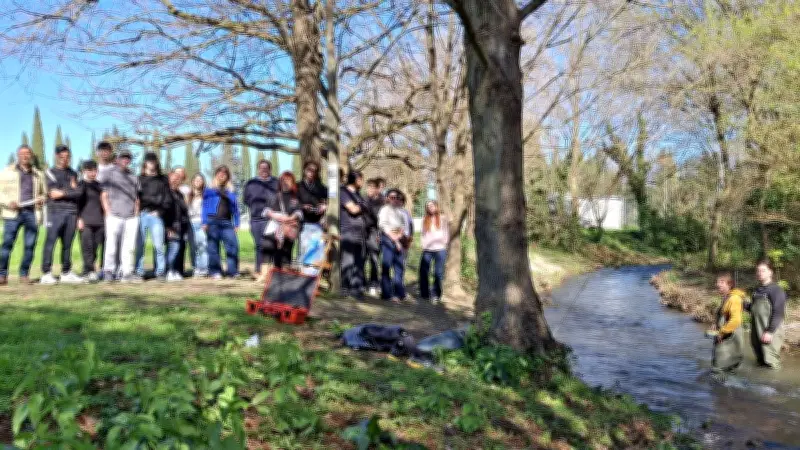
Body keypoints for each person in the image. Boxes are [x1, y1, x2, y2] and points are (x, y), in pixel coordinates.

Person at [0, 145, 46, 286]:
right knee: (7, 244)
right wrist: (9, 202)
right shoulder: (7, 172)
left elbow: (44, 193)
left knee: (29, 245)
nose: (25, 156)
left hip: (31, 213)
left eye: (27, 154)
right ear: (17, 155)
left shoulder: (38, 174)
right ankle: (2, 275)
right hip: (12, 213)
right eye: (22, 154)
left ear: (31, 156)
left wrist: (41, 199)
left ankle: (24, 274)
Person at [40, 145, 84, 285]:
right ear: (56, 156)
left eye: (67, 157)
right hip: (55, 212)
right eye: (62, 157)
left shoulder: (73, 173)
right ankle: (46, 273)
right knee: (50, 242)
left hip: (71, 212)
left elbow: (79, 192)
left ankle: (66, 272)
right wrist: (70, 189)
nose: (65, 159)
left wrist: (64, 192)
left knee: (67, 244)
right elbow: (53, 193)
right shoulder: (49, 172)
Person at [101, 150, 140, 283]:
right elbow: (104, 194)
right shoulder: (109, 174)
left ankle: (127, 272)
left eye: (128, 158)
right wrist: (107, 212)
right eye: (123, 157)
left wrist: (136, 213)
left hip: (130, 216)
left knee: (129, 247)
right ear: (117, 159)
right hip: (114, 215)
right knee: (111, 246)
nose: (125, 160)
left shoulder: (133, 176)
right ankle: (108, 271)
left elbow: (136, 197)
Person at [134, 152, 173, 281]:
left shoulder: (163, 179)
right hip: (142, 215)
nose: (151, 163)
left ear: (157, 162)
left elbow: (167, 199)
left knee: (158, 245)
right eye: (149, 161)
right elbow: (137, 198)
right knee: (140, 244)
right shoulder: (139, 179)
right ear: (145, 163)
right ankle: (139, 271)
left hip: (157, 216)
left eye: (153, 161)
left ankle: (160, 271)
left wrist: (160, 211)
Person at [747, 260, 787, 370]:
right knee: (760, 361)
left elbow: (778, 312)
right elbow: (754, 308)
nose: (760, 273)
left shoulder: (776, 290)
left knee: (771, 362)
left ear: (771, 272)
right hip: (757, 331)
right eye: (758, 271)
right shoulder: (757, 290)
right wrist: (742, 304)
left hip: (770, 331)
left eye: (763, 270)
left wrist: (770, 332)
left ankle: (776, 384)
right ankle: (761, 385)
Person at [202, 165, 240, 279]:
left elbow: (236, 209)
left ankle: (232, 271)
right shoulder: (209, 190)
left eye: (225, 173)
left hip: (227, 223)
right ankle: (215, 271)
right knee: (213, 247)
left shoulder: (231, 191)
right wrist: (204, 222)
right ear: (216, 174)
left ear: (227, 176)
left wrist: (237, 223)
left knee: (233, 246)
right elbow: (204, 206)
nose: (222, 174)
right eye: (220, 172)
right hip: (212, 221)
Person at [261, 172, 304, 270]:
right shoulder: (274, 195)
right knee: (267, 247)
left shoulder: (296, 197)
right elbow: (265, 210)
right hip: (274, 227)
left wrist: (290, 218)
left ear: (292, 182)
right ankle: (265, 275)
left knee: (286, 252)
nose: (285, 182)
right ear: (280, 182)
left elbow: (299, 213)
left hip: (288, 228)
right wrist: (274, 215)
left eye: (288, 180)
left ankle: (284, 275)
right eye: (283, 180)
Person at [243, 160, 278, 277]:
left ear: (270, 169)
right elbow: (246, 199)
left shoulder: (276, 183)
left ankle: (271, 270)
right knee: (258, 245)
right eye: (261, 168)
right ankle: (259, 270)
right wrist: (255, 208)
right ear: (258, 169)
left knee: (270, 245)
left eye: (266, 168)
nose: (264, 170)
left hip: (271, 219)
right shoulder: (251, 183)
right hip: (255, 219)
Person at [708, 273, 745, 376]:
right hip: (725, 341)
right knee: (727, 372)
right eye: (717, 282)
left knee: (718, 372)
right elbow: (723, 316)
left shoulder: (734, 299)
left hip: (729, 342)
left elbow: (735, 320)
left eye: (722, 282)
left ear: (730, 284)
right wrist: (715, 324)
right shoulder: (726, 298)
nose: (718, 284)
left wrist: (722, 332)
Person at [340, 171, 368, 298]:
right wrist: (363, 205)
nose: (362, 182)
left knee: (359, 261)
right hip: (348, 231)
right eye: (360, 179)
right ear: (355, 180)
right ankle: (345, 287)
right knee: (348, 260)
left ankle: (356, 288)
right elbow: (353, 209)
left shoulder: (358, 195)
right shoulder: (344, 192)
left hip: (360, 233)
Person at [378, 188, 408, 303]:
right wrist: (394, 239)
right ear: (387, 198)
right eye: (392, 197)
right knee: (387, 266)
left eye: (397, 197)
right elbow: (383, 225)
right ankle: (387, 293)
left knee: (399, 266)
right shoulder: (385, 210)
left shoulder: (399, 211)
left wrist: (399, 237)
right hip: (388, 238)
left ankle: (399, 292)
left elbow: (403, 226)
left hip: (398, 238)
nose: (394, 199)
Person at [77, 160, 105, 283]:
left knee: (95, 247)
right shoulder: (80, 185)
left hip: (99, 221)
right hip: (85, 220)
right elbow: (76, 204)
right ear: (84, 171)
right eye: (90, 170)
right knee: (86, 247)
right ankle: (89, 271)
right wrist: (78, 219)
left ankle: (88, 270)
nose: (92, 173)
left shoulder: (100, 186)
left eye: (94, 170)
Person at [297, 161, 327, 266]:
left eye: (314, 171)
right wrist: (302, 206)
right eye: (309, 170)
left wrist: (324, 207)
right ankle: (304, 274)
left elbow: (330, 201)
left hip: (317, 224)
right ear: (305, 171)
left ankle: (314, 275)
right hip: (303, 223)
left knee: (317, 249)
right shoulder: (298, 186)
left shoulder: (321, 187)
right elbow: (293, 203)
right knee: (304, 250)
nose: (311, 173)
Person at [419, 200, 448, 304]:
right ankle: (424, 293)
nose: (430, 207)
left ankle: (436, 293)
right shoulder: (424, 219)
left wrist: (444, 242)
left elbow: (446, 231)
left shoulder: (443, 218)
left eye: (432, 205)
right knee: (423, 271)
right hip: (427, 249)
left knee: (438, 272)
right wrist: (423, 244)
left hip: (440, 249)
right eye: (428, 206)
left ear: (436, 206)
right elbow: (422, 233)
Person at [165, 170, 189, 282]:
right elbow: (165, 211)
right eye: (173, 178)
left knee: (178, 250)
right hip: (171, 225)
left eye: (178, 179)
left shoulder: (179, 194)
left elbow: (184, 210)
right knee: (173, 249)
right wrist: (168, 227)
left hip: (181, 226)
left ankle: (176, 270)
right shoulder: (166, 192)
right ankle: (169, 271)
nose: (175, 180)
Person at [364, 178, 385, 297]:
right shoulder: (364, 199)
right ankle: (363, 282)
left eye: (372, 187)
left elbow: (379, 218)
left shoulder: (382, 202)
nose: (370, 190)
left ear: (377, 189)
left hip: (374, 232)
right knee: (362, 258)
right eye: (368, 187)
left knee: (374, 259)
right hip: (363, 232)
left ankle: (374, 283)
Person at [187, 173, 208, 277]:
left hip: (201, 223)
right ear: (192, 181)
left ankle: (204, 268)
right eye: (196, 179)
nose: (198, 181)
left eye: (200, 180)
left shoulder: (206, 195)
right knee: (193, 247)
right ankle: (196, 268)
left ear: (203, 182)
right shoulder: (188, 195)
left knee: (202, 246)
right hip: (190, 223)